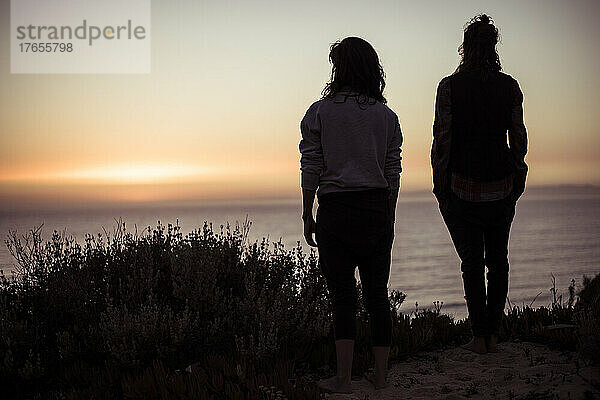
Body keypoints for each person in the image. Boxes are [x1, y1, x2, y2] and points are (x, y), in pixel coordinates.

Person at [299, 36, 402, 393]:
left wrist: (306, 210)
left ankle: (343, 379)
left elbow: (311, 164)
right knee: (377, 295)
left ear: (338, 68)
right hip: (375, 209)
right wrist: (388, 215)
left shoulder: (320, 112)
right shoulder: (386, 116)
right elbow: (392, 171)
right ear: (372, 69)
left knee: (342, 295)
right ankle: (381, 377)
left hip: (335, 211)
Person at [431, 14, 528, 354]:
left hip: (463, 187)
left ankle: (478, 337)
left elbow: (442, 140)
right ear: (494, 46)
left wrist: (439, 185)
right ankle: (494, 335)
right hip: (501, 186)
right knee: (498, 261)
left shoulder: (449, 87)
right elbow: (518, 136)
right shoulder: (510, 86)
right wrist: (519, 176)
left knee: (471, 262)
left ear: (465, 47)